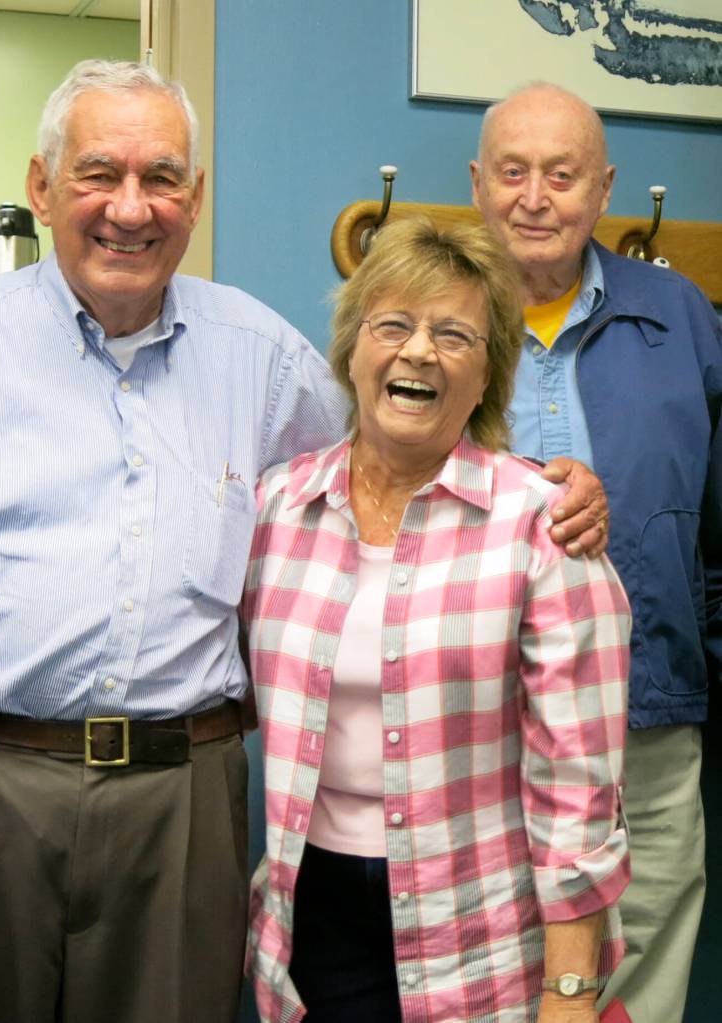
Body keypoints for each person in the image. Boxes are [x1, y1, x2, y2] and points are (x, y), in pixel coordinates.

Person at [0, 59, 350, 1023]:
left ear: (193, 198)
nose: (129, 207)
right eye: (98, 173)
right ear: (41, 187)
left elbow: (376, 482)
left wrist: (539, 486)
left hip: (179, 800)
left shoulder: (263, 358)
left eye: (160, 177)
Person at [241, 218, 631, 1023]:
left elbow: (578, 790)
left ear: (487, 374)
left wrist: (568, 993)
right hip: (311, 924)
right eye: (392, 325)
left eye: (454, 335)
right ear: (352, 352)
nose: (418, 351)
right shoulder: (276, 507)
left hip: (481, 938)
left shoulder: (542, 526)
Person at [469, 82, 722, 1023]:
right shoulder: (429, 320)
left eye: (561, 174)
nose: (534, 198)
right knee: (490, 968)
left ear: (604, 189)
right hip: (474, 729)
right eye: (512, 172)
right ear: (477, 183)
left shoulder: (682, 317)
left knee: (643, 969)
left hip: (647, 726)